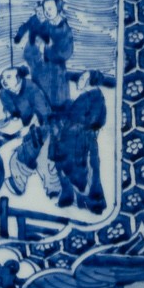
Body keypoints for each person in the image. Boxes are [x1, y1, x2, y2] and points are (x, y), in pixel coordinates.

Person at [0, 63, 60, 200]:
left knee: (42, 155)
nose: (4, 81)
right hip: (24, 128)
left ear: (19, 78)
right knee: (6, 151)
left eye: (8, 77)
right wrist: (10, 123)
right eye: (2, 78)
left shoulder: (32, 88)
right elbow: (14, 114)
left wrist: (28, 127)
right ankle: (17, 183)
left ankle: (52, 189)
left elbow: (43, 113)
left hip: (44, 125)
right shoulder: (4, 93)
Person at [51, 69, 107, 212]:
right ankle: (69, 199)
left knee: (85, 172)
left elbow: (94, 121)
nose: (78, 81)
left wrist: (69, 127)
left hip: (81, 142)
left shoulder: (95, 97)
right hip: (72, 140)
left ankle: (91, 203)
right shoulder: (87, 96)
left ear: (90, 82)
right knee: (67, 168)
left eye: (82, 79)